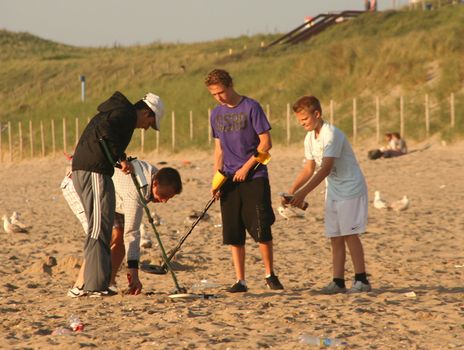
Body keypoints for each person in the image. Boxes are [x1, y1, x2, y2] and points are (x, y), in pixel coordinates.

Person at [71, 91, 164, 296]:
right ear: (147, 112)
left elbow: (107, 136)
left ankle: (99, 284)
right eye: (150, 123)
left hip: (92, 169)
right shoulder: (126, 114)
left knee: (103, 229)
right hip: (93, 170)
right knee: (97, 229)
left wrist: (120, 157)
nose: (147, 128)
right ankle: (93, 286)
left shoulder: (120, 113)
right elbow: (104, 133)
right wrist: (118, 159)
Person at [204, 69, 283, 293]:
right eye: (213, 94)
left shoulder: (251, 107)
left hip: (254, 176)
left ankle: (270, 274)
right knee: (233, 232)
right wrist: (216, 180)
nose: (218, 97)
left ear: (230, 86)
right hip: (228, 178)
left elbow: (266, 143)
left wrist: (246, 167)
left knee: (261, 226)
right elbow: (218, 149)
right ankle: (240, 280)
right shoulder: (216, 114)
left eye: (220, 92)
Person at [285, 95, 371, 294]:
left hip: (350, 188)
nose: (302, 124)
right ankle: (338, 281)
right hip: (333, 190)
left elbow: (325, 168)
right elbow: (309, 168)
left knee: (350, 234)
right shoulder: (309, 137)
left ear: (317, 114)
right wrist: (292, 192)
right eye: (299, 121)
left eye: (305, 119)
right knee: (335, 236)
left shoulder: (332, 134)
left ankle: (362, 280)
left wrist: (303, 194)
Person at [62, 160, 182, 297]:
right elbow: (131, 234)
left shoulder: (156, 176)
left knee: (119, 236)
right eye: (164, 196)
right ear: (155, 184)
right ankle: (79, 286)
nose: (164, 201)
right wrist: (134, 275)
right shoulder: (137, 191)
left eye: (169, 198)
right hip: (80, 187)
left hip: (110, 194)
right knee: (100, 238)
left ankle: (108, 284)